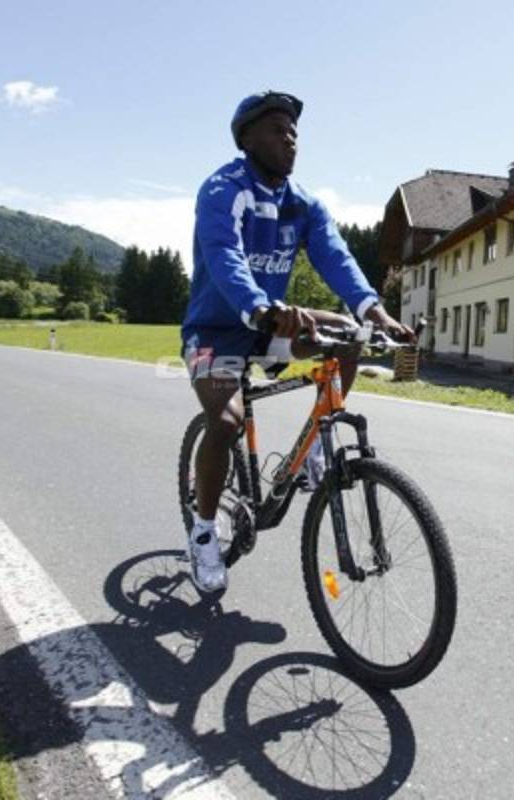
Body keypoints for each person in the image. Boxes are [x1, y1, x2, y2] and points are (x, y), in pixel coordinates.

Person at [180, 90, 410, 593]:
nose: (291, 140)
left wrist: (376, 311)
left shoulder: (303, 203)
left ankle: (310, 454)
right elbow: (223, 255)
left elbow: (336, 256)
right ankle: (202, 534)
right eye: (278, 130)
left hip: (273, 326)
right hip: (216, 332)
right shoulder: (223, 189)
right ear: (247, 139)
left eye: (294, 132)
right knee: (225, 422)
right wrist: (260, 307)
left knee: (348, 337)